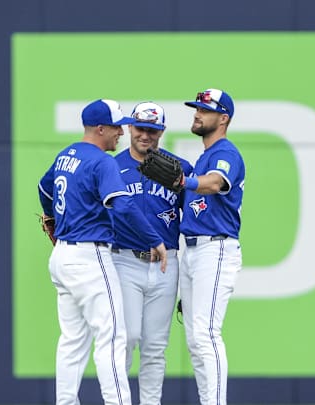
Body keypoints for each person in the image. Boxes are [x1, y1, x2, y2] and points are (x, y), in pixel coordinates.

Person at [38, 99, 169, 405]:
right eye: (116, 126)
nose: (121, 132)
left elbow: (44, 189)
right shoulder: (102, 161)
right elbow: (122, 205)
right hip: (89, 256)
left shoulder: (66, 155)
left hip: (63, 258)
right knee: (112, 338)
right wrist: (155, 239)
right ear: (99, 128)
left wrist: (53, 221)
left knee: (72, 341)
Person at [110, 102, 193, 405]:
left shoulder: (179, 168)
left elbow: (196, 216)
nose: (145, 135)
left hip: (165, 263)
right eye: (140, 128)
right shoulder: (113, 167)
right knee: (127, 337)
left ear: (161, 132)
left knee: (156, 347)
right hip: (125, 260)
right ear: (130, 128)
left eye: (152, 130)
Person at [178, 89, 245, 405]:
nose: (197, 113)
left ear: (223, 118)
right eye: (196, 108)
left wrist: (184, 181)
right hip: (191, 252)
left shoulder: (225, 153)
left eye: (205, 109)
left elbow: (216, 183)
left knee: (206, 335)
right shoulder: (203, 157)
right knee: (195, 340)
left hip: (215, 249)